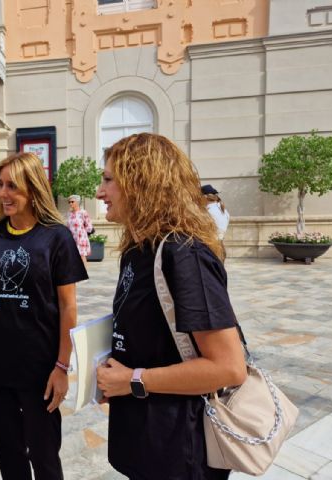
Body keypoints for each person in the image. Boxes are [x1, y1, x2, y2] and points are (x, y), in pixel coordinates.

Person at [95, 133, 247, 480]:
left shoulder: (184, 254)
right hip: (145, 441)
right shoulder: (138, 250)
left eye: (108, 180)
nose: (99, 192)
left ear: (140, 181)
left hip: (181, 451)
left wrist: (132, 380)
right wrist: (113, 374)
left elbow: (228, 367)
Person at [0, 152, 87, 480]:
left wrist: (62, 366)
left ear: (32, 190)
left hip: (39, 367)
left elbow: (68, 307)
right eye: (0, 185)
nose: (3, 193)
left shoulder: (56, 237)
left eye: (12, 186)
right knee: (7, 452)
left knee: (44, 453)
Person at [66, 194, 93, 263]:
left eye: (72, 201)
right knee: (72, 256)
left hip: (80, 237)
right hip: (71, 238)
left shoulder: (83, 212)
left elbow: (89, 225)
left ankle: (84, 273)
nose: (70, 203)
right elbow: (68, 226)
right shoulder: (69, 213)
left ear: (77, 202)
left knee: (81, 256)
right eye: (69, 202)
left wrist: (82, 233)